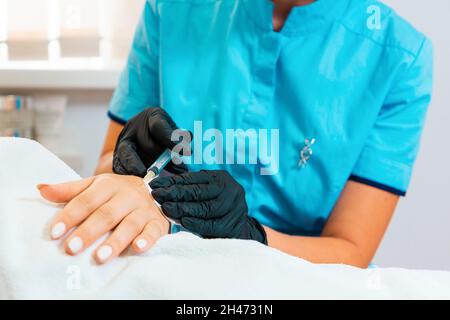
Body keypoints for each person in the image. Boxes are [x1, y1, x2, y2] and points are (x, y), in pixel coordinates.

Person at [38, 0, 433, 268]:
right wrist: (127, 169)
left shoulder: (399, 56)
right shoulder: (173, 8)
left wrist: (250, 236)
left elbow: (351, 248)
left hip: (303, 282)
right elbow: (109, 161)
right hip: (169, 263)